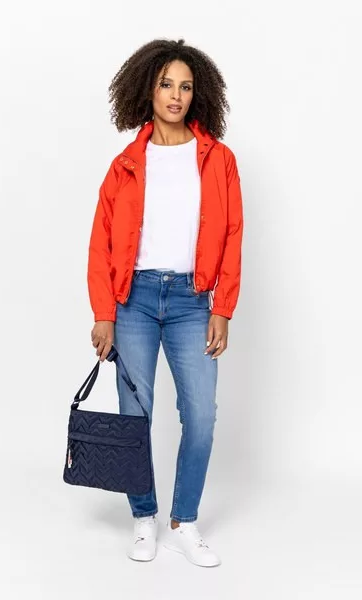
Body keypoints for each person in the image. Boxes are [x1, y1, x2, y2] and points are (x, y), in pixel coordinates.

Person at [87, 38, 244, 567]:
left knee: (200, 415)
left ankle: (184, 521)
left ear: (198, 94)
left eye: (186, 86)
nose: (176, 95)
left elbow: (233, 235)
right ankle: (143, 516)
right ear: (147, 90)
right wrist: (104, 313)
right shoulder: (126, 164)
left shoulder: (218, 160)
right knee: (135, 415)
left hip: (192, 302)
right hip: (132, 300)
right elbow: (100, 242)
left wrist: (222, 307)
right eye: (166, 84)